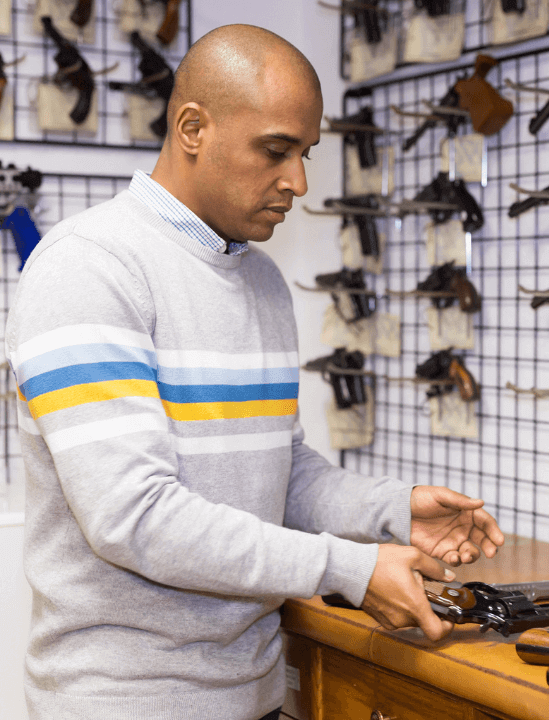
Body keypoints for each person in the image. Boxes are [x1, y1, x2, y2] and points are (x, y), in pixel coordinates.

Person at [6, 24, 504, 720]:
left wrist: (390, 511)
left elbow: (280, 471)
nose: (297, 181)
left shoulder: (261, 280)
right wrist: (346, 568)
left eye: (305, 153)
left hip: (258, 693)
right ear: (191, 128)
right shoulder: (86, 268)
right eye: (276, 150)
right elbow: (133, 516)